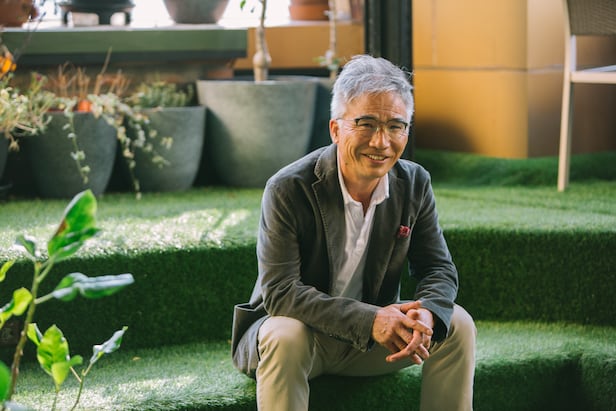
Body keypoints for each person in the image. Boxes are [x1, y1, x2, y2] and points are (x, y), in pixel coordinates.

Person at [231, 54, 476, 411]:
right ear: (335, 129)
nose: (381, 142)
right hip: (303, 340)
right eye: (366, 124)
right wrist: (370, 319)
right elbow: (281, 292)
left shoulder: (414, 183)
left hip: (370, 343)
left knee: (456, 323)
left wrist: (427, 313)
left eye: (396, 126)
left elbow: (438, 268)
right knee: (286, 334)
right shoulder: (288, 188)